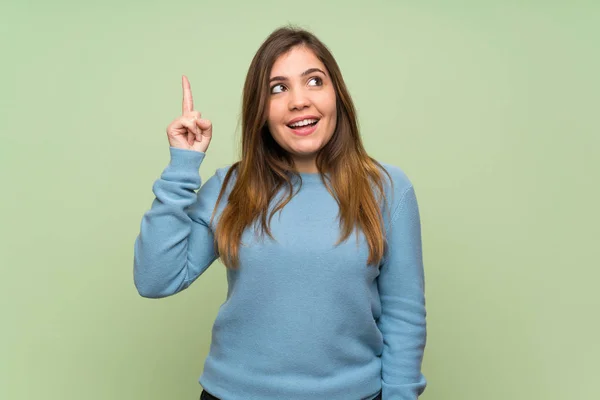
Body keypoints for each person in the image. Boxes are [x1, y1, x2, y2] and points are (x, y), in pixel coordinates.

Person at [133, 25, 427, 400]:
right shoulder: (231, 188)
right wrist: (182, 166)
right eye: (278, 88)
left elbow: (404, 316)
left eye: (314, 81)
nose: (299, 100)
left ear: (336, 94)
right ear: (261, 110)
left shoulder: (388, 189)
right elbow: (156, 279)